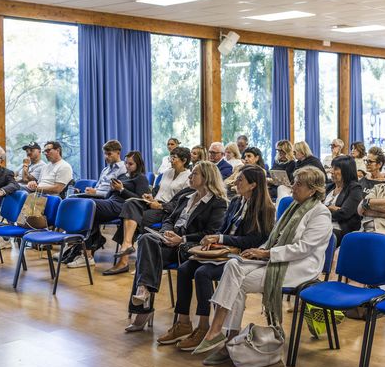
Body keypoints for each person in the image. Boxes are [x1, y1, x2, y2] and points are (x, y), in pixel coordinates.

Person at [190, 166, 333, 361]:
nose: (293, 187)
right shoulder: (293, 207)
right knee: (233, 266)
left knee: (236, 283)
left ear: (313, 190)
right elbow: (275, 238)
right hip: (276, 258)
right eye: (294, 182)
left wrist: (265, 253)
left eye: (299, 184)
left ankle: (223, 338)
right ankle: (222, 334)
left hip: (300, 267)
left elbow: (303, 248)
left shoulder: (320, 213)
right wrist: (258, 252)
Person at [153, 165, 276, 353]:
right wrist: (213, 240)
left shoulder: (265, 209)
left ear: (252, 185)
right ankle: (183, 322)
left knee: (202, 273)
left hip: (241, 256)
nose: (236, 182)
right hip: (222, 250)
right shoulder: (236, 202)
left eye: (241, 180)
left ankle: (203, 327)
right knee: (185, 269)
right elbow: (223, 229)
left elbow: (254, 240)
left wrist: (220, 238)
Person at [125, 161, 229, 332]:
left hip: (189, 246)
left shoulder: (217, 202)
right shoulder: (186, 196)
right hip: (170, 241)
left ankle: (143, 303)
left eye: (194, 173)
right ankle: (144, 291)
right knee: (146, 240)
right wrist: (166, 233)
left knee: (146, 252)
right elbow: (169, 219)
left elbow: (211, 232)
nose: (190, 176)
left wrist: (181, 239)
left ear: (207, 177)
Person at [70, 151, 150, 273]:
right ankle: (86, 250)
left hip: (122, 206)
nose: (128, 166)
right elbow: (108, 196)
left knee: (88, 205)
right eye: (126, 163)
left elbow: (140, 199)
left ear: (138, 165)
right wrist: (112, 189)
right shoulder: (123, 176)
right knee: (81, 203)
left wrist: (121, 189)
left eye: (131, 164)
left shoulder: (141, 178)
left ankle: (84, 248)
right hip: (110, 202)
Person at [113, 146, 191, 267]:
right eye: (170, 157)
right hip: (153, 203)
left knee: (131, 218)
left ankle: (124, 260)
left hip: (166, 211)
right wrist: (150, 196)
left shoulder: (188, 178)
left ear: (184, 160)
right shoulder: (166, 173)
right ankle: (127, 245)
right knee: (130, 203)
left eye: (174, 158)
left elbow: (181, 203)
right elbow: (157, 190)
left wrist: (160, 206)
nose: (170, 160)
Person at [325, 155, 365, 245]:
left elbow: (344, 213)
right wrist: (331, 208)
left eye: (335, 169)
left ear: (346, 171)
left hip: (340, 229)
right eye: (332, 168)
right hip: (324, 224)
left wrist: (323, 210)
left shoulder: (355, 188)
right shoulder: (329, 187)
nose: (331, 171)